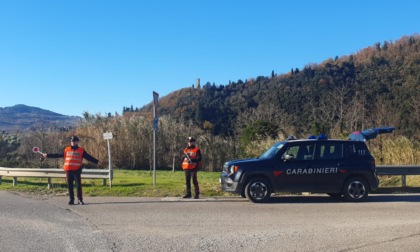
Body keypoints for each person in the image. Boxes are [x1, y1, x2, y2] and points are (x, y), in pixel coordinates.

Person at [43, 135, 100, 205]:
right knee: (70, 186)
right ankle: (71, 199)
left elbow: (88, 157)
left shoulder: (81, 150)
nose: (73, 142)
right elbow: (58, 155)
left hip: (77, 170)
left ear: (77, 142)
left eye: (74, 141)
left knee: (78, 185)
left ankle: (80, 200)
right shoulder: (66, 149)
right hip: (68, 170)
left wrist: (97, 161)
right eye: (72, 141)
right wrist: (48, 155)